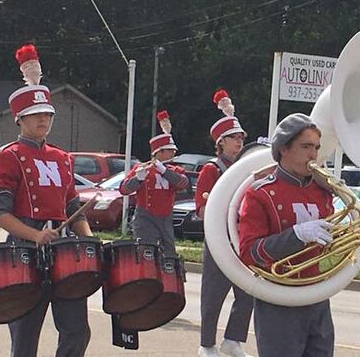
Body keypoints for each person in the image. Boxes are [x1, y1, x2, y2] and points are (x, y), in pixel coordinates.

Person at [0, 44, 93, 357]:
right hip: (24, 249)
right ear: (19, 119)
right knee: (25, 335)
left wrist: (88, 240)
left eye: (46, 114)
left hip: (64, 249)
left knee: (77, 330)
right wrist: (36, 235)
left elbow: (73, 205)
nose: (43, 120)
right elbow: (3, 215)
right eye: (35, 115)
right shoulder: (7, 156)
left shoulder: (62, 158)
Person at [238, 113, 340, 357]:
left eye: (316, 147)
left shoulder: (323, 193)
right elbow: (250, 252)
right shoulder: (261, 194)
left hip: (316, 297)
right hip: (278, 298)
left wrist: (352, 229)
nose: (313, 155)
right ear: (284, 148)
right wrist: (296, 235)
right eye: (306, 147)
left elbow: (329, 246)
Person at [197, 89, 253, 357]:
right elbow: (201, 208)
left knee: (247, 292)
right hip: (220, 238)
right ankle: (206, 344)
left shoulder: (244, 168)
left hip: (241, 238)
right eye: (233, 137)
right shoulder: (211, 169)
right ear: (220, 142)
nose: (239, 142)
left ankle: (233, 339)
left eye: (241, 137)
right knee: (213, 295)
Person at [119, 109, 188, 255]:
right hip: (145, 219)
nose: (173, 154)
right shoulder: (142, 168)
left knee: (169, 254)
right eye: (170, 151)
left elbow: (182, 184)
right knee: (146, 253)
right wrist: (138, 179)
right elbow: (124, 189)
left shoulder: (175, 170)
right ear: (159, 152)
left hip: (165, 218)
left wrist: (164, 170)